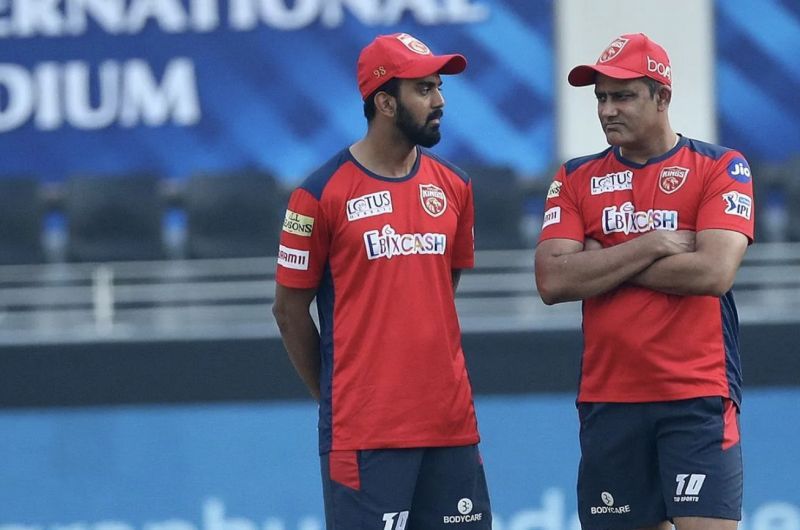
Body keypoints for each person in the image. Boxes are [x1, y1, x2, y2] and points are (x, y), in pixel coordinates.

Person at [272, 33, 491, 530]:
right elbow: (288, 313)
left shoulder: (455, 186)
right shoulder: (317, 194)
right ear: (385, 102)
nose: (440, 101)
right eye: (424, 89)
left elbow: (438, 291)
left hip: (451, 427)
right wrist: (339, 399)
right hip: (367, 436)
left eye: (438, 87)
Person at [535, 33, 754, 530]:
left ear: (663, 98)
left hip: (695, 396)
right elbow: (551, 279)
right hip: (608, 401)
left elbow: (712, 272)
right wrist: (653, 243)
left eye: (623, 96)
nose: (607, 110)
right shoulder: (574, 177)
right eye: (601, 98)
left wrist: (599, 262)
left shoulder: (721, 166)